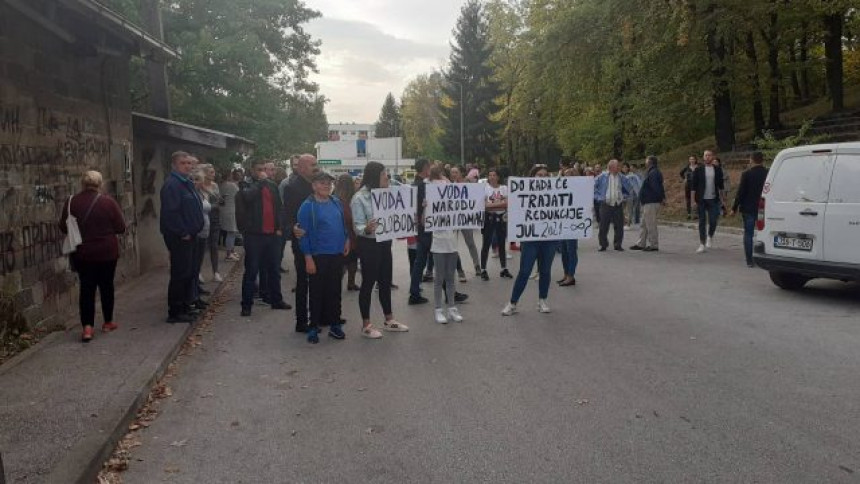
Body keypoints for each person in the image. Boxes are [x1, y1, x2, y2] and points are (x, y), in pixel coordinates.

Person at [60, 171, 126, 342]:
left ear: (82, 184)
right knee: (106, 287)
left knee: (86, 289)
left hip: (83, 254)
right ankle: (108, 322)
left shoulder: (71, 202)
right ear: (100, 184)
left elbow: (63, 226)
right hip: (107, 253)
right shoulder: (108, 202)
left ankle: (87, 328)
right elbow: (120, 227)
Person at [351, 162, 409, 338]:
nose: (387, 177)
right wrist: (367, 228)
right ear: (375, 175)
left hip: (385, 242)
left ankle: (389, 319)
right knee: (368, 283)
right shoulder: (359, 198)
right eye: (384, 174)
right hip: (369, 244)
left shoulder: (389, 192)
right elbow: (358, 227)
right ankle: (366, 324)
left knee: (385, 280)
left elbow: (407, 193)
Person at [298, 171, 350, 344]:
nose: (326, 186)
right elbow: (303, 235)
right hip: (318, 256)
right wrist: (308, 258)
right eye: (322, 183)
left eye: (328, 183)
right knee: (316, 293)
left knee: (335, 292)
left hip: (336, 254)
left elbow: (342, 224)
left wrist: (347, 240)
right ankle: (313, 327)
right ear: (314, 186)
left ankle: (335, 325)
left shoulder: (336, 202)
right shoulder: (307, 206)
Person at [236, 159, 292, 316]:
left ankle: (276, 300)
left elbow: (280, 207)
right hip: (254, 235)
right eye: (259, 169)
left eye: (264, 169)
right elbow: (247, 198)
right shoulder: (246, 185)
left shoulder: (272, 185)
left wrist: (280, 227)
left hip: (272, 234)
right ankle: (246, 305)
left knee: (274, 269)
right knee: (252, 270)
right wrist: (260, 183)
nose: (263, 172)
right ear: (252, 170)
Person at [501, 165, 558, 316]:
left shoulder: (556, 193)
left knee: (545, 271)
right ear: (532, 177)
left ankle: (542, 300)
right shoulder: (523, 192)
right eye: (539, 175)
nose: (543, 178)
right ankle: (513, 303)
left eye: (546, 175)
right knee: (525, 271)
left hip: (549, 238)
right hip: (530, 238)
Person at [160, 152, 205, 323]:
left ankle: (186, 306)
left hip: (192, 235)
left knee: (189, 272)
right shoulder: (172, 185)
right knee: (180, 273)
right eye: (183, 163)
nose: (187, 165)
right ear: (174, 165)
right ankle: (175, 310)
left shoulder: (187, 183)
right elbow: (170, 214)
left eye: (188, 163)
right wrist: (183, 232)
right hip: (181, 237)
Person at [283, 153, 319, 332]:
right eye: (313, 165)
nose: (316, 167)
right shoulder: (292, 187)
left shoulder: (317, 184)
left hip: (320, 241)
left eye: (316, 164)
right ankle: (302, 321)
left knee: (319, 282)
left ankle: (320, 316)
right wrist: (293, 229)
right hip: (302, 241)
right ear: (302, 168)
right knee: (304, 283)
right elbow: (288, 215)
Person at [427, 165, 464, 324]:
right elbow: (424, 220)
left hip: (452, 242)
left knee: (450, 277)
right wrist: (425, 207)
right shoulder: (430, 190)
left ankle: (452, 308)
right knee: (439, 278)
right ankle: (438, 309)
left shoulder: (449, 186)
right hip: (438, 242)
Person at [731, 151, 768, 267]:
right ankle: (766, 257)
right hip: (764, 208)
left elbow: (741, 192)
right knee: (765, 232)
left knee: (748, 234)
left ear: (751, 160)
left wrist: (734, 208)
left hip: (748, 208)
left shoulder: (746, 174)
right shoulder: (768, 173)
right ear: (762, 160)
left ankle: (749, 260)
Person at [479, 167, 513, 281]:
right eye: (490, 175)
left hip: (501, 218)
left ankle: (504, 268)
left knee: (502, 243)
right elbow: (484, 205)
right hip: (489, 218)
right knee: (486, 244)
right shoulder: (485, 188)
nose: (492, 177)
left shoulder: (504, 188)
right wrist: (500, 204)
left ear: (498, 177)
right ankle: (483, 269)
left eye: (494, 175)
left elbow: (508, 203)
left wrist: (493, 204)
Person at [594, 159, 634, 252]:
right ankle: (603, 244)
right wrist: (599, 197)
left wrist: (624, 196)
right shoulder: (602, 177)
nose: (619, 168)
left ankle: (618, 244)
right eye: (617, 166)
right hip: (606, 204)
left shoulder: (622, 177)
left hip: (617, 204)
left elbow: (629, 188)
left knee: (619, 226)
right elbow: (593, 187)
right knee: (603, 226)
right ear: (611, 167)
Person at [408, 158, 433, 305]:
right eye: (428, 166)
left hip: (419, 228)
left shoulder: (414, 185)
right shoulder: (423, 186)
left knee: (420, 261)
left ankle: (414, 292)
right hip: (426, 228)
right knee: (439, 258)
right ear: (425, 168)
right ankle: (451, 292)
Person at [691, 149, 726, 253]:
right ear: (703, 157)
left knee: (713, 220)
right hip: (701, 200)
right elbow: (693, 187)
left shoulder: (717, 169)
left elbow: (721, 186)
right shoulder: (698, 170)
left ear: (713, 157)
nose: (707, 157)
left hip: (713, 199)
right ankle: (702, 243)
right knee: (702, 222)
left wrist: (723, 200)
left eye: (709, 155)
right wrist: (693, 201)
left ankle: (710, 236)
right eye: (705, 155)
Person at [449, 165, 481, 277]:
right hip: (453, 220)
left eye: (455, 172)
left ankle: (477, 265)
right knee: (453, 244)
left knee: (470, 243)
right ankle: (459, 270)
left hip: (466, 219)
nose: (453, 174)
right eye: (452, 172)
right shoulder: (448, 186)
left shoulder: (469, 185)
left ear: (461, 173)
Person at [630, 156, 666, 252]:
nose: (645, 163)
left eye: (646, 161)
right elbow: (660, 186)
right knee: (644, 224)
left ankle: (654, 244)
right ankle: (641, 243)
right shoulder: (652, 172)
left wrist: (660, 198)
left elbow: (656, 188)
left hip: (651, 202)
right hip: (648, 202)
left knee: (651, 224)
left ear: (650, 162)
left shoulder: (653, 173)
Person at [189, 169, 212, 310]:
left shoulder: (202, 193)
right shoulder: (191, 194)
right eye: (195, 179)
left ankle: (196, 293)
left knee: (197, 266)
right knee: (192, 268)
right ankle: (192, 296)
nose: (197, 182)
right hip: (196, 233)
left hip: (204, 233)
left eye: (199, 180)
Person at [333, 174, 359, 291]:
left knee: (347, 260)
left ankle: (341, 283)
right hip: (349, 234)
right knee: (350, 260)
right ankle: (350, 283)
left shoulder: (334, 198)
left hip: (343, 234)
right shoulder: (352, 198)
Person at [199, 164, 223, 282]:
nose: (213, 174)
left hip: (214, 218)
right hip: (203, 219)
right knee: (202, 246)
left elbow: (218, 201)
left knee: (214, 245)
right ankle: (199, 272)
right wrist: (215, 204)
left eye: (213, 172)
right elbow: (202, 205)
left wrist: (219, 202)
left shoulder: (215, 186)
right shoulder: (199, 186)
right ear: (204, 174)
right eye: (211, 172)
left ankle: (216, 272)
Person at [558, 168, 580, 287]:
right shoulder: (562, 189)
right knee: (564, 250)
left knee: (571, 250)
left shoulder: (579, 190)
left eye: (567, 176)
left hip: (573, 224)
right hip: (563, 223)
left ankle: (571, 276)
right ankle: (566, 274)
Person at [220, 168, 241, 262]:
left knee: (231, 232)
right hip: (232, 211)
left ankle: (231, 251)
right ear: (230, 175)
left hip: (224, 210)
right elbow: (240, 194)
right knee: (231, 233)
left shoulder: (221, 185)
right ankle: (229, 254)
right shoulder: (232, 185)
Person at [621, 162, 642, 227]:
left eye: (626, 167)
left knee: (629, 210)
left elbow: (637, 184)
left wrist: (638, 193)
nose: (624, 168)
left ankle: (628, 224)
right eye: (623, 167)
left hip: (629, 195)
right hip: (621, 195)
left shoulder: (632, 175)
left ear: (628, 168)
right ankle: (623, 222)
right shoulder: (619, 175)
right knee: (621, 210)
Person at [680, 155, 698, 220]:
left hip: (696, 185)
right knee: (688, 199)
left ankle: (696, 214)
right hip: (688, 185)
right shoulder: (687, 167)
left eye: (693, 159)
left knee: (696, 199)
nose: (692, 160)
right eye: (690, 159)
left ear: (695, 160)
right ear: (689, 160)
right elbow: (681, 173)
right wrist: (684, 178)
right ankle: (689, 214)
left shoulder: (698, 167)